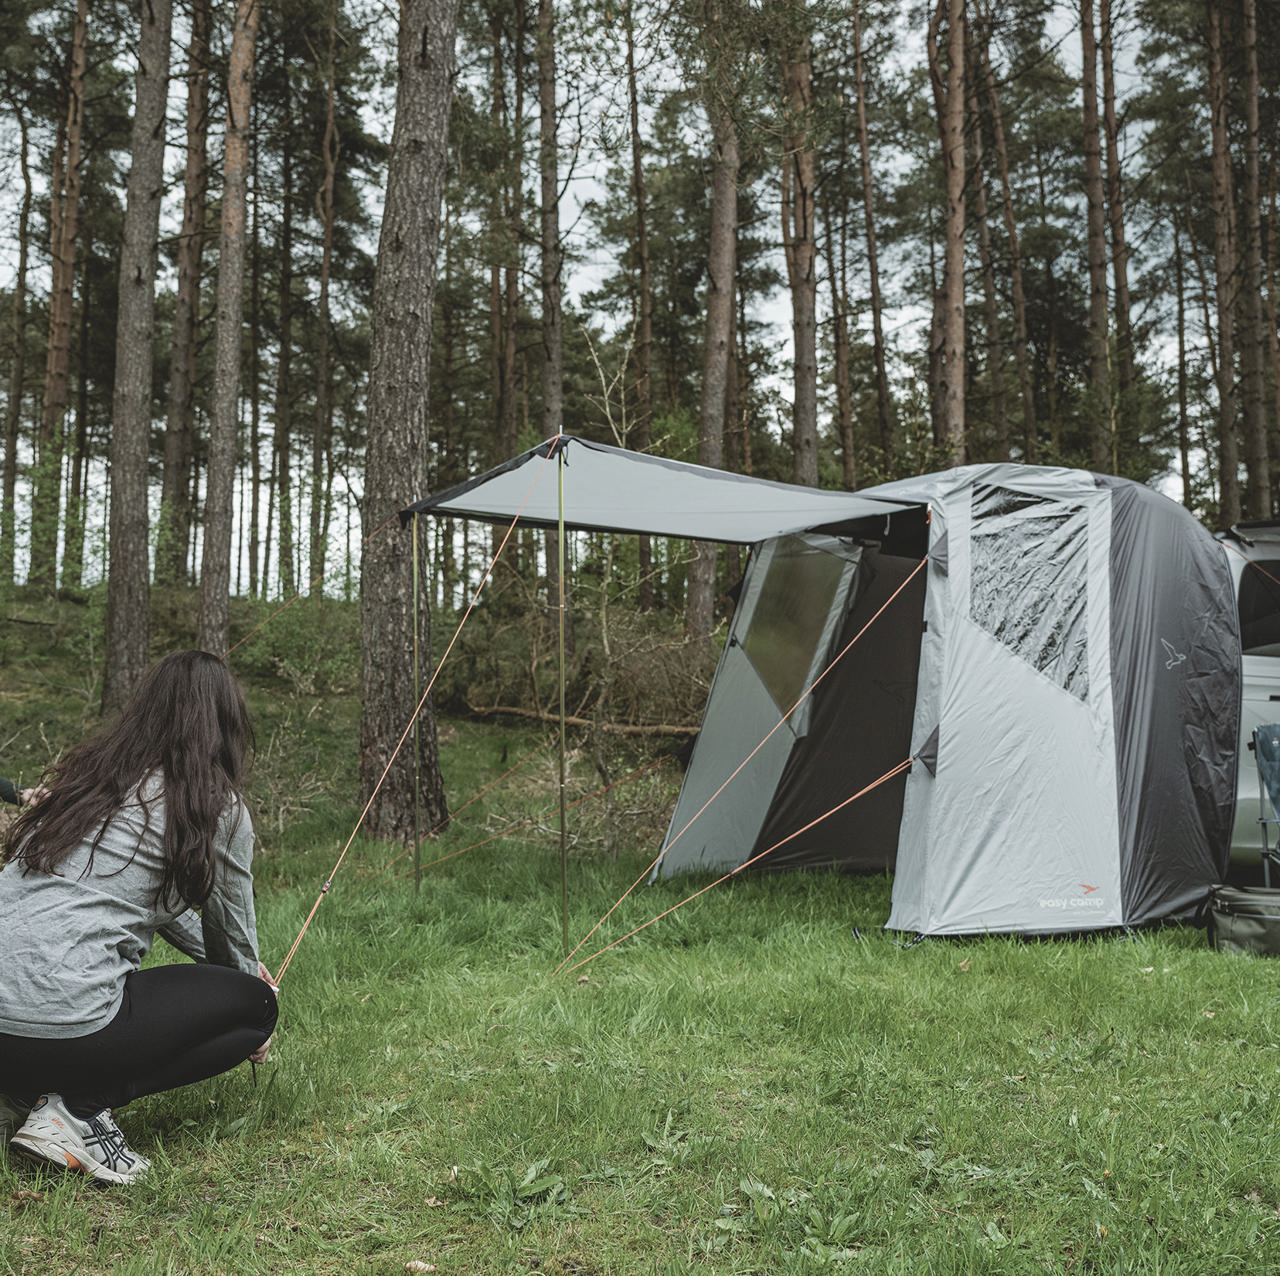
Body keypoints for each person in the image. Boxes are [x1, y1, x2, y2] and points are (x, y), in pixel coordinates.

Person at [0, 650, 279, 1185]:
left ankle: (19, 1095)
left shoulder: (85, 785)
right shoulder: (215, 805)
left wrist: (221, 961)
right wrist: (249, 997)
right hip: (62, 1021)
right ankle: (76, 1111)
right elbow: (231, 933)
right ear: (225, 723)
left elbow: (132, 894)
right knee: (256, 1006)